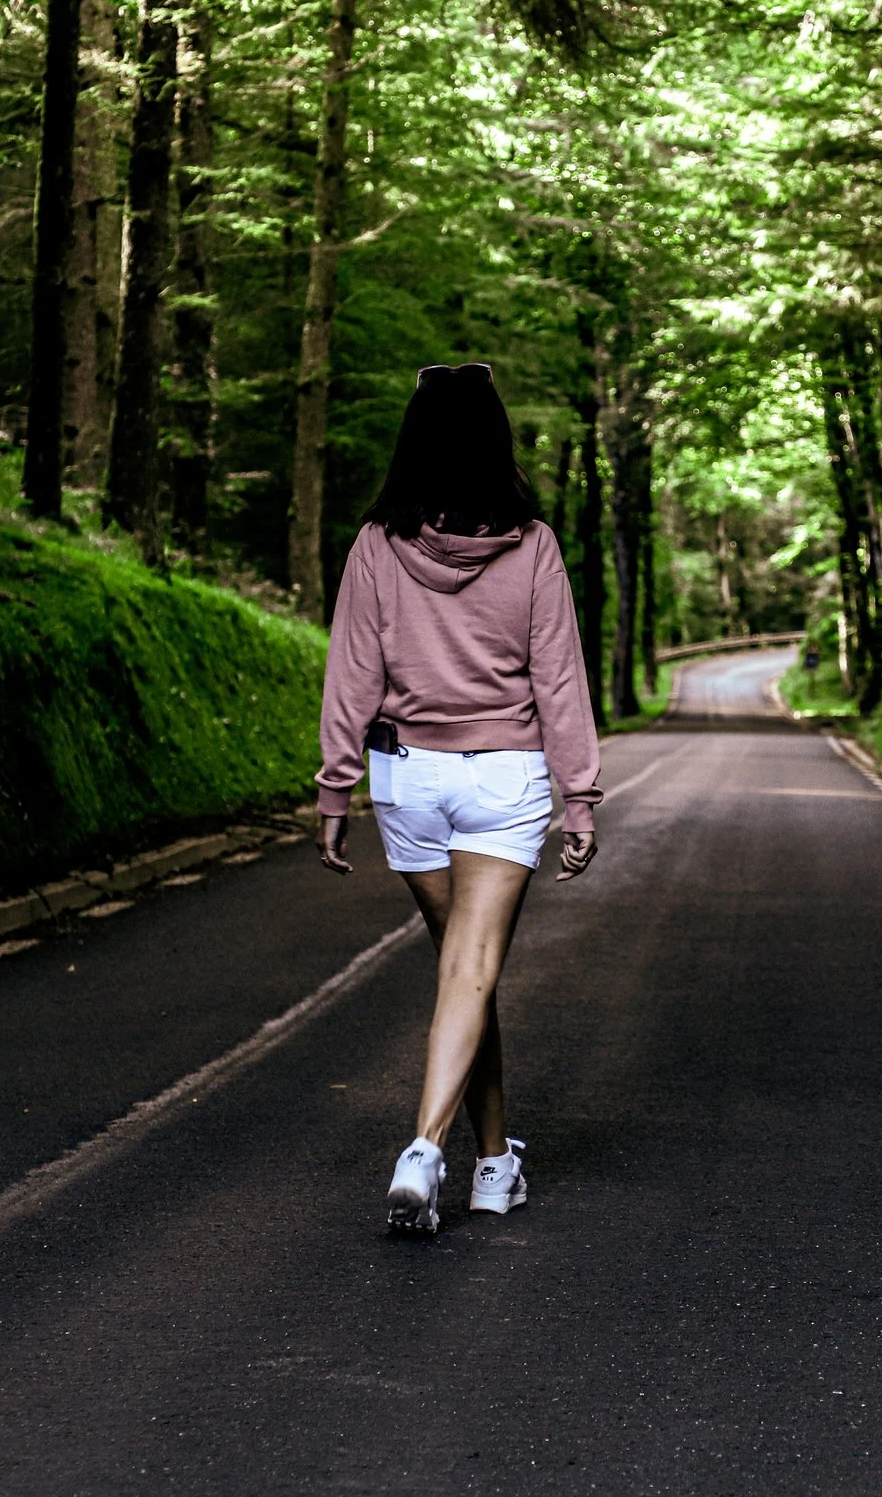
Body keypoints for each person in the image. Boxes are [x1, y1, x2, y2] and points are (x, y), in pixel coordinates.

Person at [313, 362, 601, 1235]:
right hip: (503, 779)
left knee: (462, 979)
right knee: (469, 977)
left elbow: (352, 674)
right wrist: (578, 796)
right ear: (497, 439)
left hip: (410, 780)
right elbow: (559, 678)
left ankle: (495, 1162)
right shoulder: (534, 544)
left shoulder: (375, 543)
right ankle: (425, 1148)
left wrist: (335, 786)